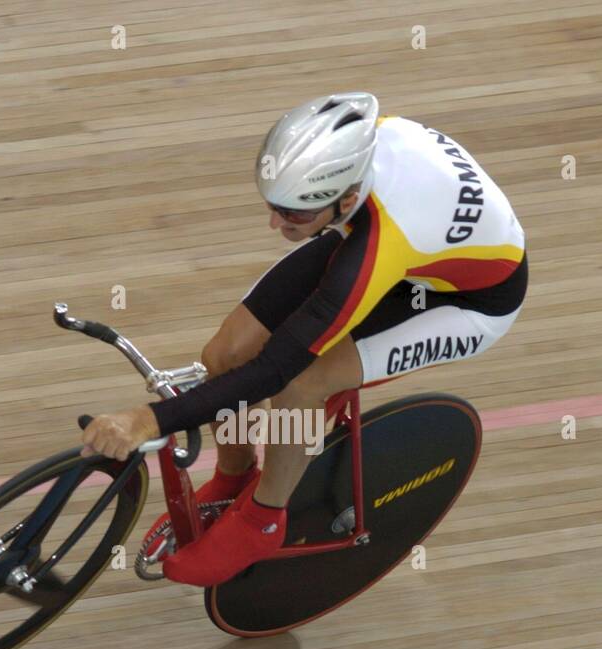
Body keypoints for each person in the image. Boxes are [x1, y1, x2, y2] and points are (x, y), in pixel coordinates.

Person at [80, 91, 527, 586]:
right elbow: (242, 361)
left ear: (346, 198)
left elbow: (275, 370)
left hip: (468, 303)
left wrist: (149, 420)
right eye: (274, 206)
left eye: (293, 215)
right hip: (411, 244)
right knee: (224, 353)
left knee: (303, 384)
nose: (275, 224)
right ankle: (234, 478)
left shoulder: (380, 242)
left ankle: (263, 519)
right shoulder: (359, 151)